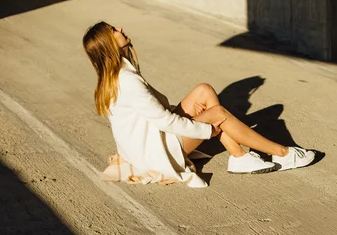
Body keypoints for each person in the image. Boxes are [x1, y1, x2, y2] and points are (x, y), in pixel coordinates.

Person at [82, 21, 315, 188]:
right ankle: (282, 153)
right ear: (108, 45)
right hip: (156, 153)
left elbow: (151, 114)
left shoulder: (117, 75)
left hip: (148, 144)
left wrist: (191, 115)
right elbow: (164, 120)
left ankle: (239, 157)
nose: (120, 28)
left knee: (203, 90)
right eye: (114, 30)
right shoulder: (128, 80)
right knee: (219, 114)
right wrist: (206, 129)